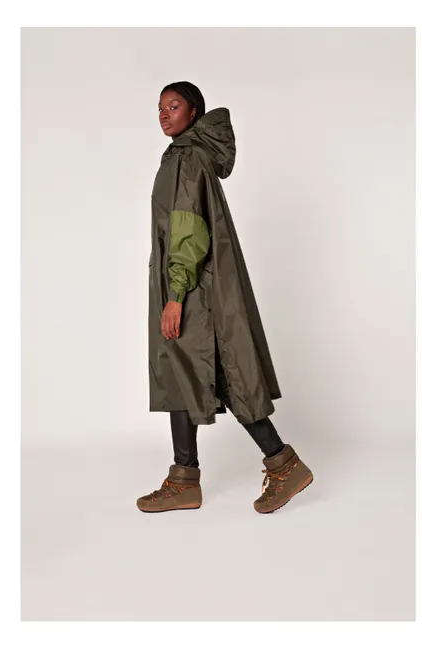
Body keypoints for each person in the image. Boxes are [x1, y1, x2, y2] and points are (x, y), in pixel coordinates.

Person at [137, 81, 313, 514]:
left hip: (195, 289)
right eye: (159, 108)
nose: (163, 115)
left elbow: (189, 229)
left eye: (173, 106)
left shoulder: (187, 157)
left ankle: (282, 465)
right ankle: (186, 478)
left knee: (220, 372)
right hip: (193, 286)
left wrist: (176, 295)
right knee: (185, 372)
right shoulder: (186, 154)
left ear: (194, 112)